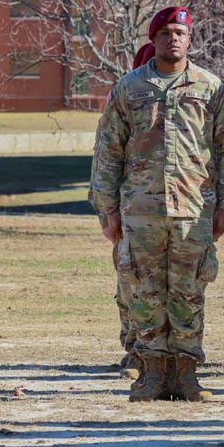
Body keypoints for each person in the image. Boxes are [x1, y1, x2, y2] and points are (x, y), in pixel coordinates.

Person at [91, 6, 224, 403]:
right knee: (144, 292)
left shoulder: (211, 88)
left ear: (190, 39)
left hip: (194, 210)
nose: (174, 38)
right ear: (153, 39)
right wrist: (107, 210)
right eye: (166, 32)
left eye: (181, 31)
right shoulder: (130, 87)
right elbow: (108, 151)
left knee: (190, 292)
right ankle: (152, 374)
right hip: (140, 210)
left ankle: (188, 375)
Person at [86, 42, 155, 383]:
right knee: (131, 283)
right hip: (130, 209)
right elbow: (104, 160)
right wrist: (106, 211)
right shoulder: (125, 98)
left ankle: (165, 352)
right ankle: (134, 348)